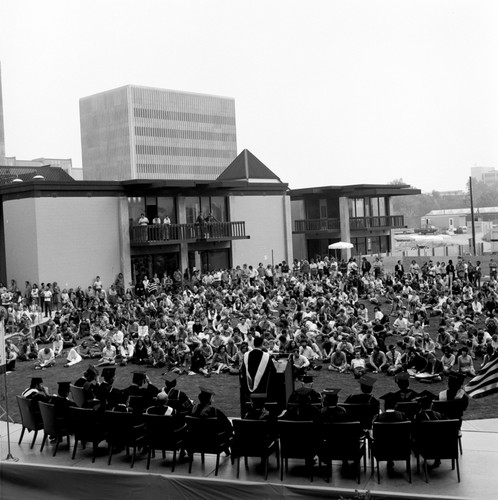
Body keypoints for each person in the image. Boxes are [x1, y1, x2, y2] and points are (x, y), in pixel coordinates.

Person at [240, 335, 275, 401]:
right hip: (263, 385)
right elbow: (273, 370)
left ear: (253, 344)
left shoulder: (246, 355)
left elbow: (243, 370)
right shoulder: (266, 356)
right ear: (262, 344)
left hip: (248, 385)